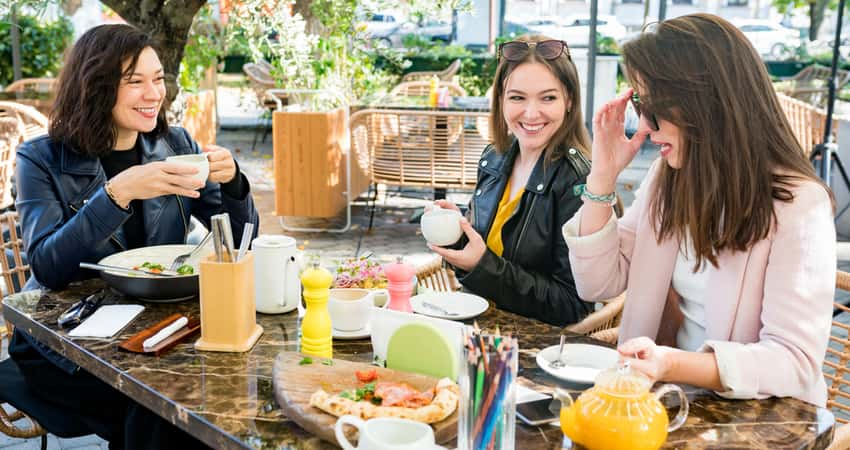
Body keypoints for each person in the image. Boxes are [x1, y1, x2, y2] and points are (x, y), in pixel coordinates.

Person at [562, 13, 835, 406]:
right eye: (639, 105)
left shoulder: (798, 203)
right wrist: (602, 176)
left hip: (758, 418)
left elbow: (793, 361)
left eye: (651, 106)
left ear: (705, 104)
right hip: (670, 402)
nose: (645, 126)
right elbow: (598, 283)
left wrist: (674, 364)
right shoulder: (668, 178)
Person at [10, 24, 259, 448]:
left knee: (227, 385)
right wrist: (118, 192)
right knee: (162, 405)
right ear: (96, 86)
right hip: (66, 340)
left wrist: (235, 184)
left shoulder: (175, 144)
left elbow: (237, 246)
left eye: (158, 78)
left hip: (160, 327)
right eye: (135, 82)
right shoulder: (41, 158)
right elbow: (48, 269)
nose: (153, 93)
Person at [428, 36, 595, 326]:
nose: (531, 113)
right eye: (517, 97)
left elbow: (573, 305)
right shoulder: (494, 157)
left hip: (533, 349)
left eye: (548, 98)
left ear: (569, 100)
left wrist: (483, 266)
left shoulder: (579, 181)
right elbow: (483, 254)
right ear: (501, 100)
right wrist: (458, 234)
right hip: (475, 326)